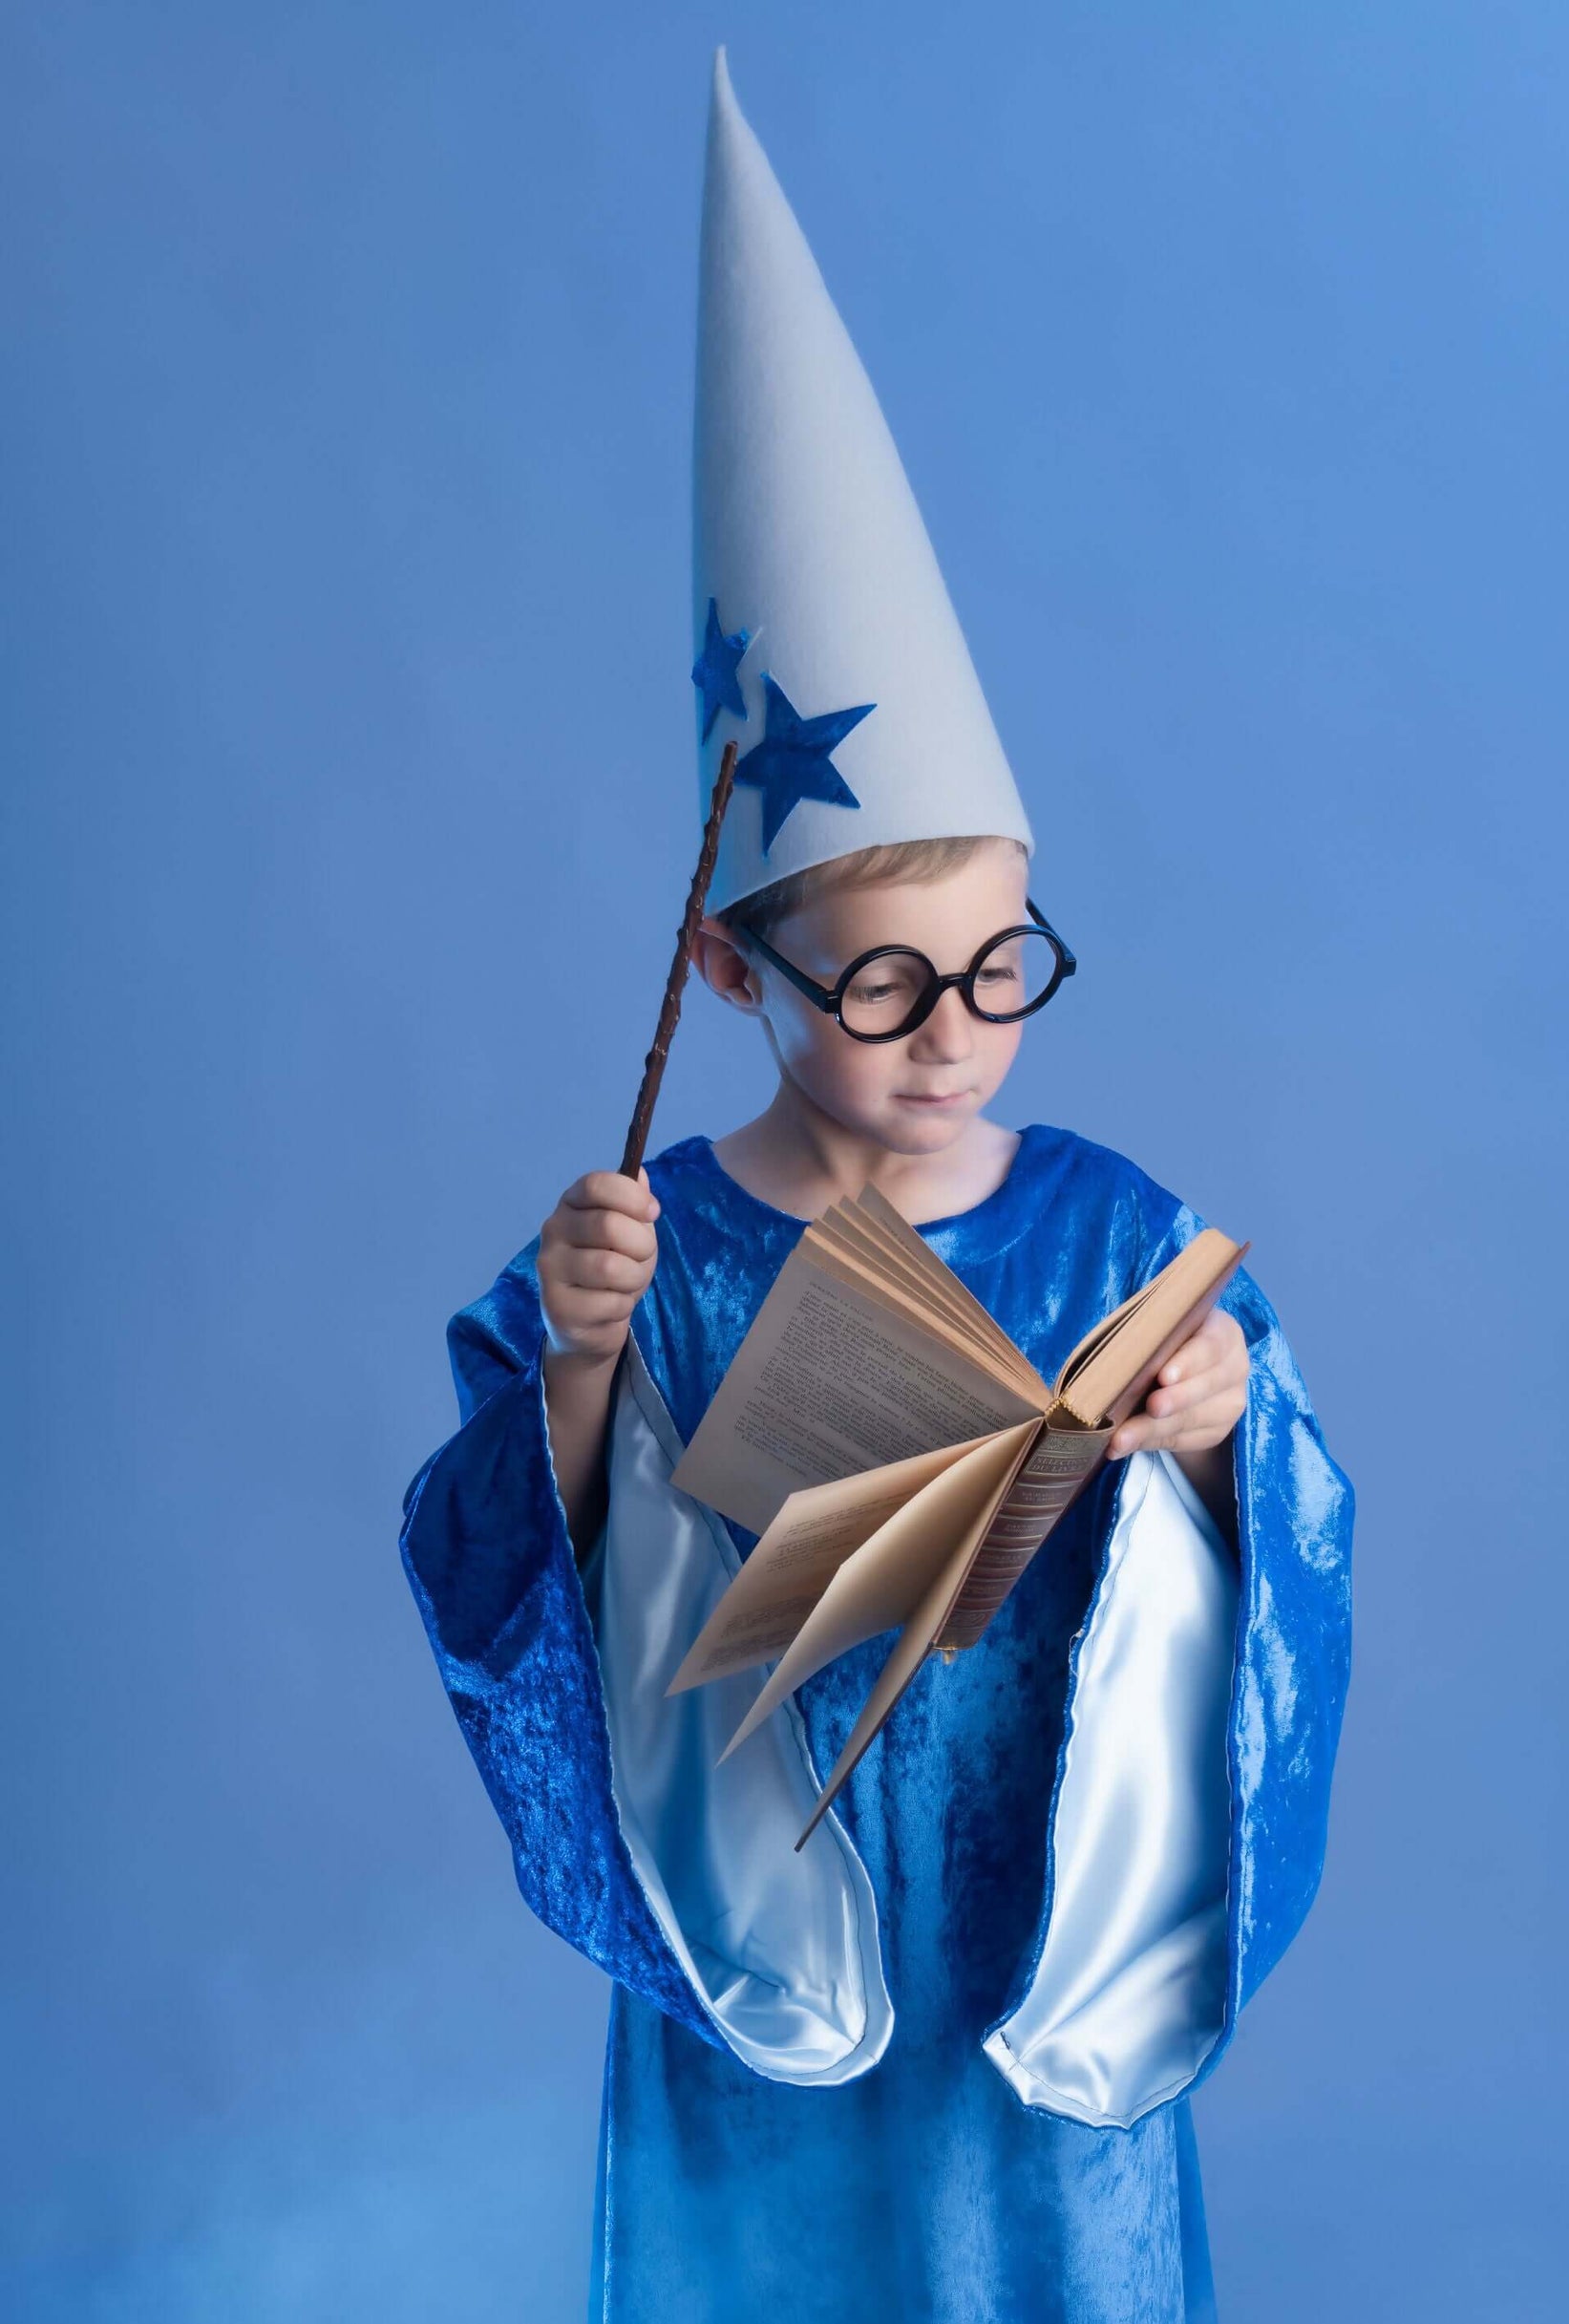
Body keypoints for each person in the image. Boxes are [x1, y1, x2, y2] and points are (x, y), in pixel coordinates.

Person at [400, 53, 1351, 2324]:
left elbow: (1271, 1559)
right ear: (727, 959)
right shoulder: (670, 1246)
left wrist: (1220, 1434)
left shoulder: (1104, 1217)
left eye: (1003, 960)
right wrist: (586, 1363)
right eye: (887, 980)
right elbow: (504, 1573)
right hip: (776, 1926)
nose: (956, 1029)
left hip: (1034, 1906)